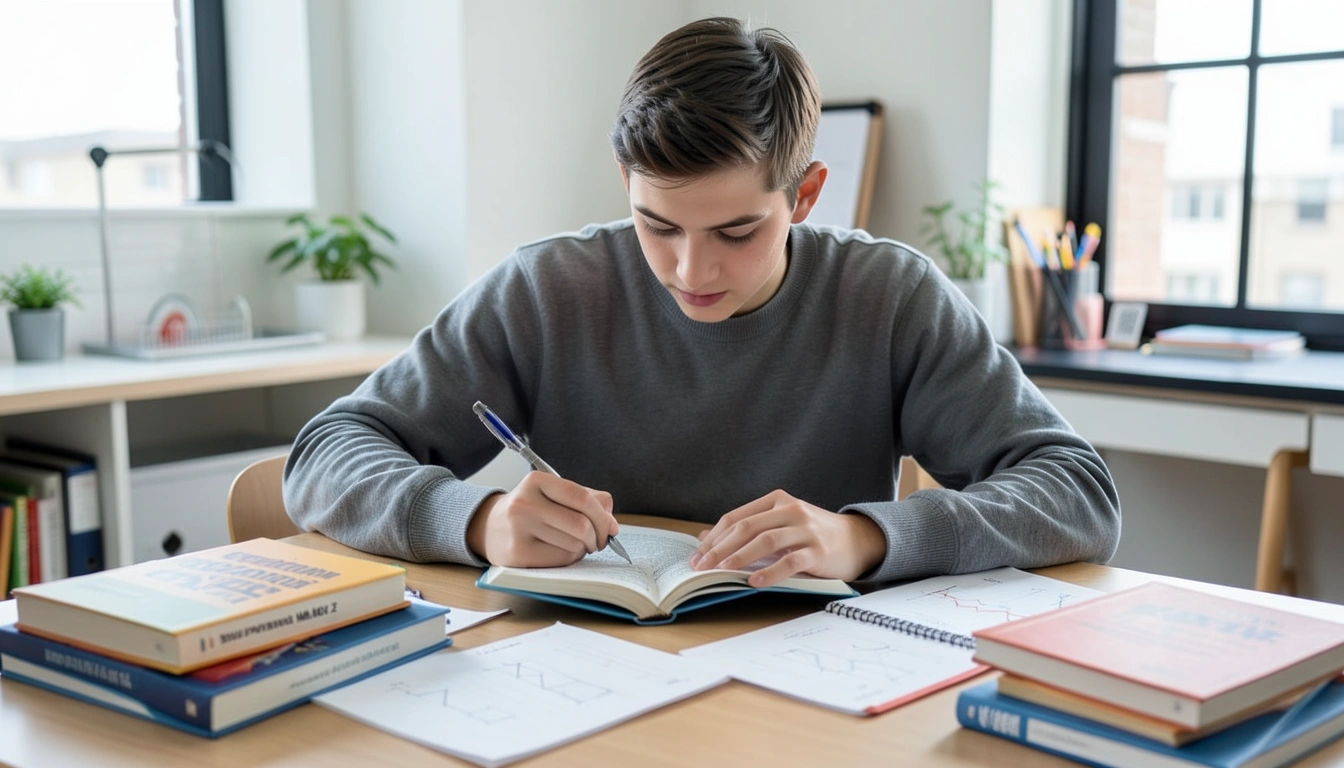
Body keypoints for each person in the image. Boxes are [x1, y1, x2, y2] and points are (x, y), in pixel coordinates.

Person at [284, 17, 1120, 588]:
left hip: (813, 690)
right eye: (657, 225)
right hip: (579, 674)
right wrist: (475, 521)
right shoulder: (550, 288)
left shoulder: (888, 297)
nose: (690, 269)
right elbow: (327, 450)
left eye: (735, 230)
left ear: (806, 195)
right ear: (626, 185)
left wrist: (865, 537)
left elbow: (1079, 493)